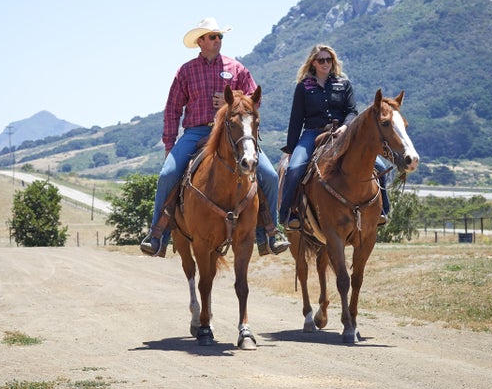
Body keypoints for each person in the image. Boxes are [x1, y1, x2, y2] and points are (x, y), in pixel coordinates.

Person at [140, 17, 290, 257]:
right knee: (168, 174)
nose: (217, 40)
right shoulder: (186, 71)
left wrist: (235, 98)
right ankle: (157, 234)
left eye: (220, 36)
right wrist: (170, 145)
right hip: (196, 131)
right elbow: (172, 109)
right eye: (212, 36)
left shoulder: (237, 68)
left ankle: (271, 233)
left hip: (234, 133)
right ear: (200, 41)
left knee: (270, 176)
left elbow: (255, 99)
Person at [280, 44, 360, 228]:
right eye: (321, 60)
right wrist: (292, 149)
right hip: (312, 133)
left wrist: (346, 127)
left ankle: (381, 211)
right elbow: (296, 120)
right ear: (313, 63)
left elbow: (352, 111)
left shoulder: (344, 84)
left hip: (341, 134)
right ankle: (287, 214)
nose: (325, 63)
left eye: (329, 59)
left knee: (377, 165)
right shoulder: (303, 87)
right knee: (294, 168)